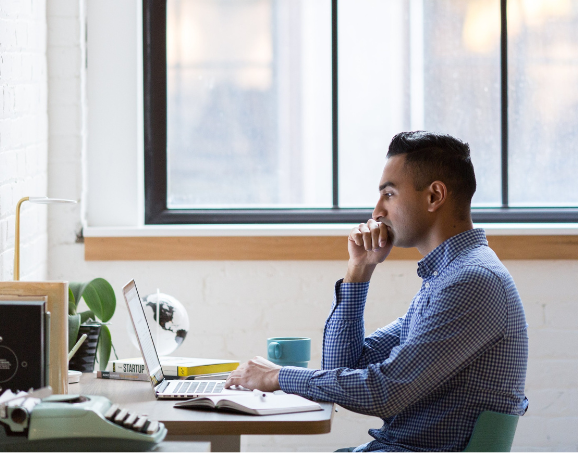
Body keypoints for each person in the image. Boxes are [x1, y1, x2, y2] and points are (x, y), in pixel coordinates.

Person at [225, 131, 528, 451]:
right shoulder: (446, 279)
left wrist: (278, 377)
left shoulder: (471, 282)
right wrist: (359, 270)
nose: (376, 212)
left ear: (434, 196)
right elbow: (342, 368)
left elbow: (385, 393)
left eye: (390, 194)